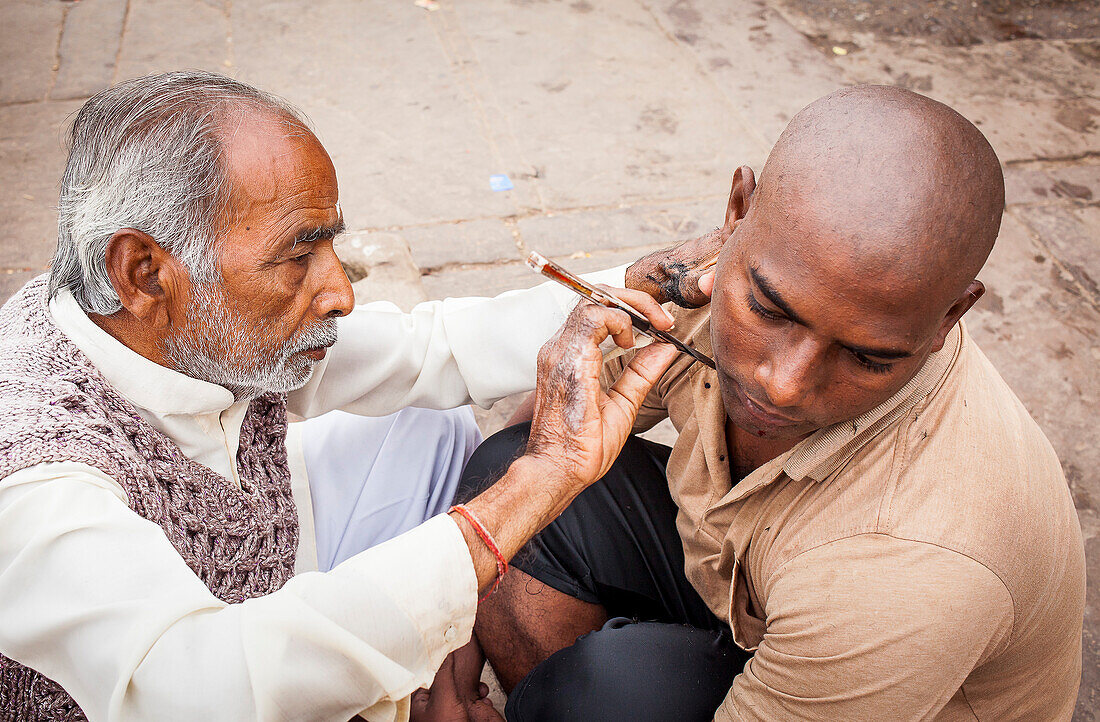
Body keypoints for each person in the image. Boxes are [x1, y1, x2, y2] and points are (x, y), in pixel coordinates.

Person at [0, 71, 692, 721]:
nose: (340, 292)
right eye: (298, 256)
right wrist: (537, 483)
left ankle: (437, 677)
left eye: (328, 246)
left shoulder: (177, 327)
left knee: (431, 419)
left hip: (255, 582)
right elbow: (198, 689)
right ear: (145, 272)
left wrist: (630, 287)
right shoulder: (33, 469)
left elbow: (431, 349)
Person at [465, 85, 1086, 720]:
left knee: (606, 691)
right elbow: (556, 432)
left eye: (866, 357)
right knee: (514, 471)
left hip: (858, 665)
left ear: (949, 317)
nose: (782, 384)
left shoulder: (907, 572)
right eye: (768, 311)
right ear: (737, 217)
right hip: (755, 606)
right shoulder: (719, 277)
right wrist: (446, 626)